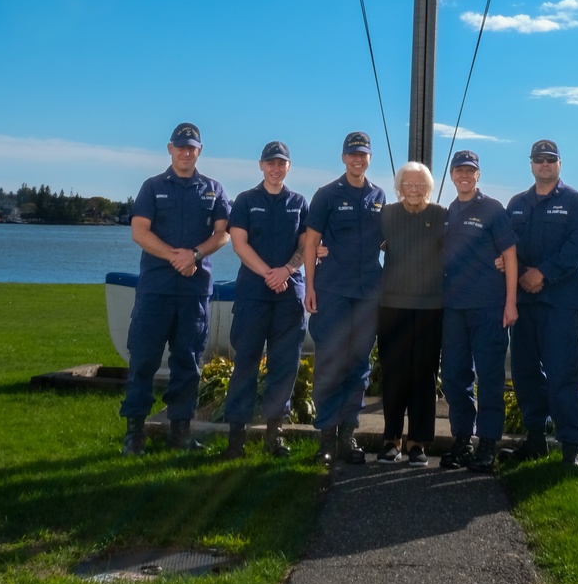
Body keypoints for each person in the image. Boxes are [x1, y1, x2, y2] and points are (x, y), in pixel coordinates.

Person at [119, 122, 230, 455]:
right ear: (170, 148)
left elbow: (223, 233)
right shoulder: (152, 187)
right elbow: (139, 231)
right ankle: (134, 434)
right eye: (180, 146)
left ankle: (181, 432)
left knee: (189, 363)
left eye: (192, 147)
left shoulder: (213, 189)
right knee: (143, 360)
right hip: (156, 289)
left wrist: (195, 255)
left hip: (194, 292)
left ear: (199, 150)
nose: (186, 152)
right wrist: (175, 256)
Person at [502, 139, 578, 470]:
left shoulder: (574, 203)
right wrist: (524, 274)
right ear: (531, 164)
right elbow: (506, 246)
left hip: (560, 304)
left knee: (564, 373)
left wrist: (543, 273)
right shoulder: (516, 204)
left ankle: (571, 446)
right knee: (525, 375)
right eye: (538, 159)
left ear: (559, 164)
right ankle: (535, 439)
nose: (544, 165)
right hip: (525, 303)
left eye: (550, 160)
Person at [303, 131, 386, 466]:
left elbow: (387, 242)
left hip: (368, 296)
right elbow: (311, 243)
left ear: (369, 158)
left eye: (363, 154)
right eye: (352, 154)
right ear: (343, 157)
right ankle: (325, 436)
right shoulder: (326, 195)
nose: (357, 159)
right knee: (329, 362)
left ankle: (347, 433)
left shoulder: (378, 196)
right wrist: (309, 286)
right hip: (333, 291)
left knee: (358, 365)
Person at [223, 140, 308, 459]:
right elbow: (239, 244)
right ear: (261, 165)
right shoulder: (246, 200)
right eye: (270, 162)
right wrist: (269, 273)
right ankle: (236, 439)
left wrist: (286, 270)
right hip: (253, 296)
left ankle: (275, 435)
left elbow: (306, 244)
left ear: (288, 167)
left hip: (288, 297)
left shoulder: (299, 202)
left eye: (281, 163)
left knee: (284, 366)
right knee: (245, 364)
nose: (275, 168)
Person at [440, 150, 518, 474]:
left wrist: (511, 302)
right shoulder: (448, 212)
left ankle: (487, 443)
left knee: (489, 378)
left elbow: (510, 256)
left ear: (478, 175)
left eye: (470, 171)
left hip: (488, 307)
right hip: (454, 309)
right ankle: (461, 440)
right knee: (455, 377)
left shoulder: (492, 209)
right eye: (459, 170)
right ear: (453, 175)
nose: (464, 176)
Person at [376, 161, 447, 467]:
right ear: (399, 187)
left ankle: (417, 443)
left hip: (430, 308)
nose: (414, 189)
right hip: (392, 305)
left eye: (420, 185)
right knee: (393, 374)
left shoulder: (442, 216)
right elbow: (364, 243)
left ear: (428, 188)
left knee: (423, 376)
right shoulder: (387, 214)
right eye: (408, 184)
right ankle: (391, 439)